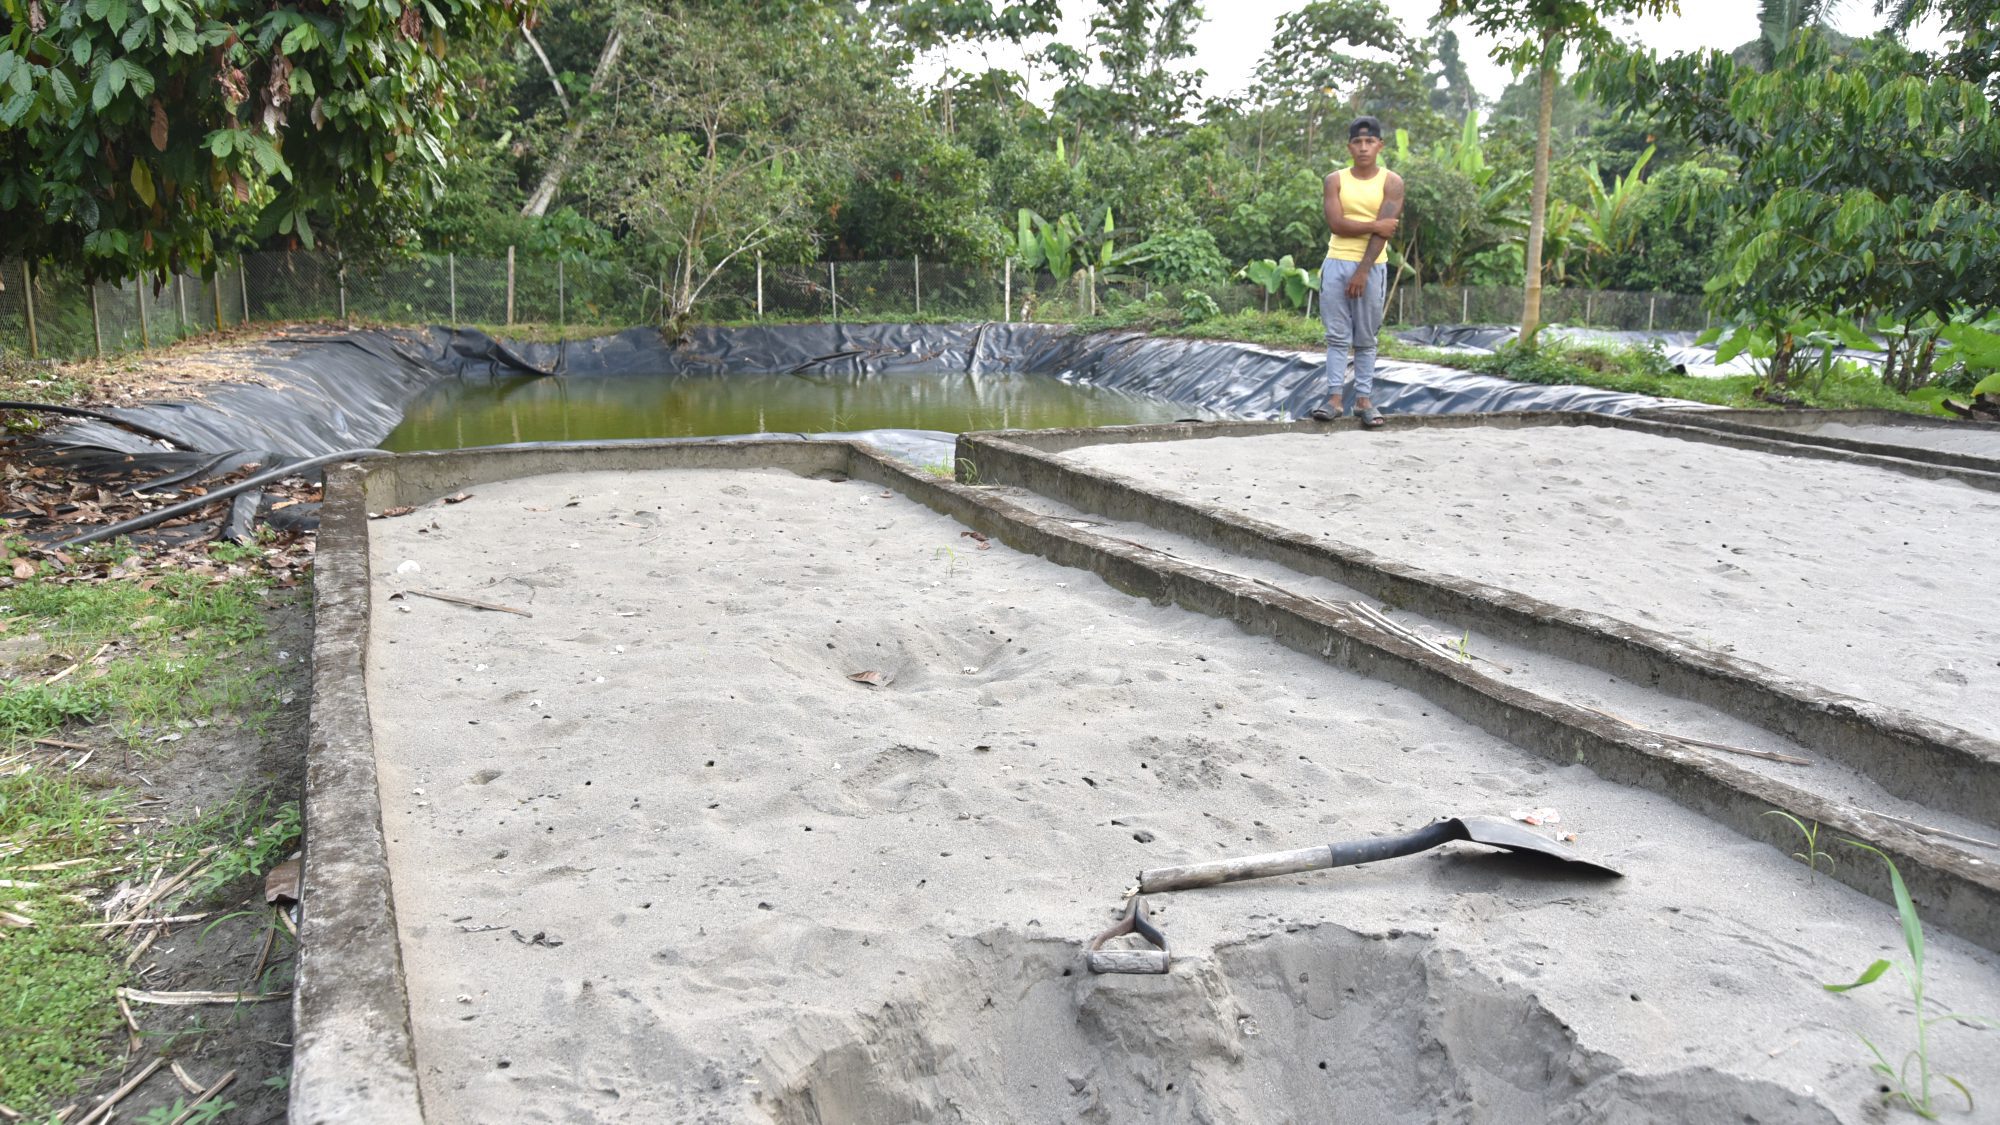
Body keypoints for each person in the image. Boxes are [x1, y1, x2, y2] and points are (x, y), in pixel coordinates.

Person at [1313, 115, 1405, 429]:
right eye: (1357, 142)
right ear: (1349, 146)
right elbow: (1336, 224)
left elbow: (1385, 234)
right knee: (1337, 337)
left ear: (1380, 145)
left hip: (1373, 266)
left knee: (1366, 338)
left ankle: (1364, 400)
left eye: (1369, 141)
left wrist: (1363, 271)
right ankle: (1334, 398)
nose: (1363, 147)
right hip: (1336, 261)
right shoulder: (1335, 180)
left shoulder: (1391, 182)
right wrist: (1375, 224)